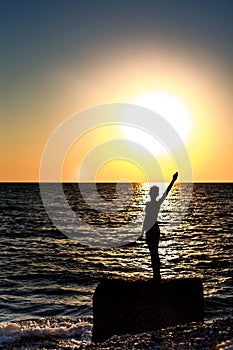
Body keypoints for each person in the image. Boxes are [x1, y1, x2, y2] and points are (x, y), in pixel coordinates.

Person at [138, 172, 178, 281]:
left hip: (153, 229)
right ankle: (156, 275)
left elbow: (167, 192)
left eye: (152, 192)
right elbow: (146, 219)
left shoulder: (155, 204)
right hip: (150, 230)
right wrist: (142, 232)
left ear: (153, 194)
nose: (150, 193)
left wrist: (173, 180)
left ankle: (157, 276)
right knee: (153, 253)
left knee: (154, 253)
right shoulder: (149, 204)